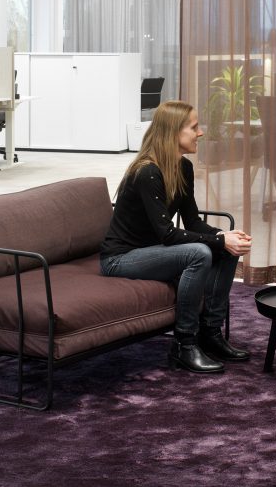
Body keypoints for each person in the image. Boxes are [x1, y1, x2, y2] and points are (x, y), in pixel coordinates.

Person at [101, 101, 255, 375]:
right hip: (120, 258)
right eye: (194, 127)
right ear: (173, 132)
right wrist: (219, 241)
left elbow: (193, 220)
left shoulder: (183, 167)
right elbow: (168, 234)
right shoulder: (147, 172)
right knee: (201, 252)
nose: (201, 133)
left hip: (152, 250)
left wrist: (225, 236)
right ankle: (185, 343)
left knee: (226, 248)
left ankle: (211, 332)